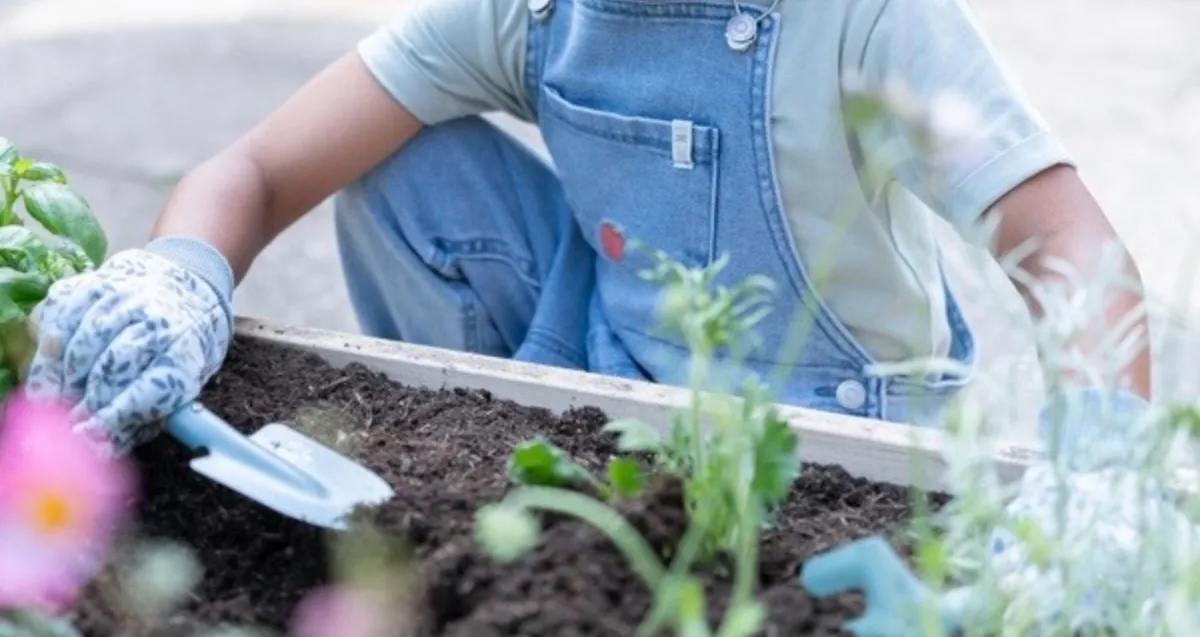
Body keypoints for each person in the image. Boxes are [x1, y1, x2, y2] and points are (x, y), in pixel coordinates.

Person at [25, 0, 1152, 457]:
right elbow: (263, 165)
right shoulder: (536, 11)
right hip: (609, 361)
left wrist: (1102, 459)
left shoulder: (861, 20)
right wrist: (174, 280)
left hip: (836, 425)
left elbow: (1067, 244)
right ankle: (484, 448)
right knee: (399, 152)